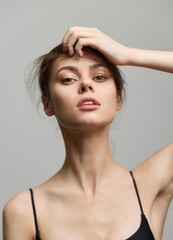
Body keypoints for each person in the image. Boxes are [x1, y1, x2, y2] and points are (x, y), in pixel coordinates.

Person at [2, 26, 173, 240]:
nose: (86, 84)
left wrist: (127, 55)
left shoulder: (149, 184)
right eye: (68, 79)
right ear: (48, 105)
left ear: (118, 99)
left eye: (99, 77)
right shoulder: (24, 211)